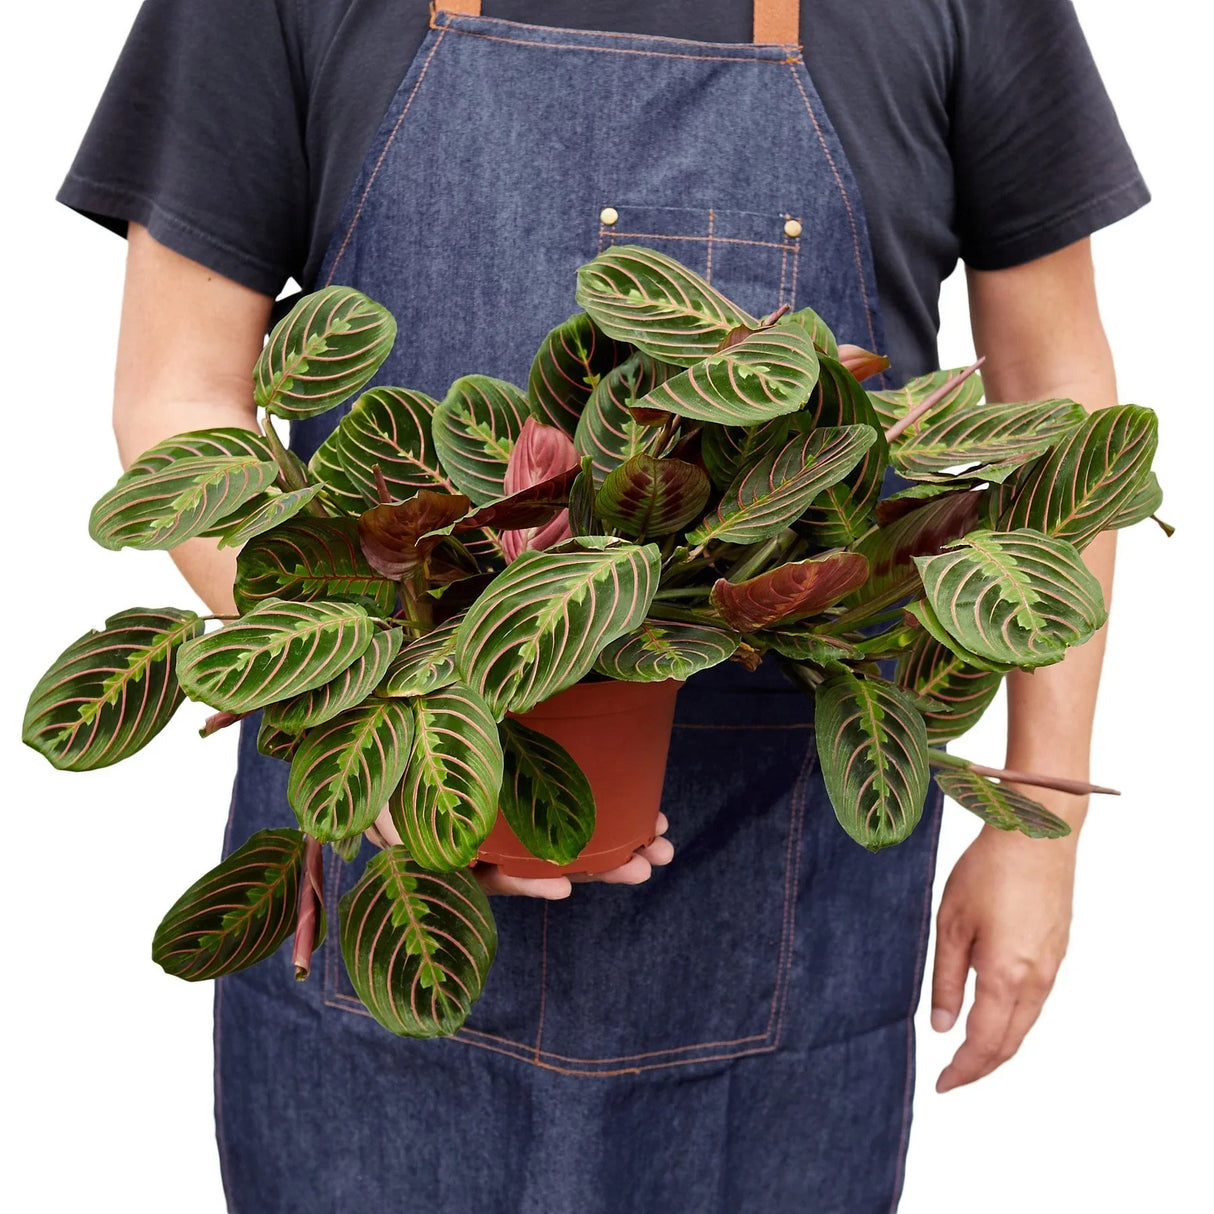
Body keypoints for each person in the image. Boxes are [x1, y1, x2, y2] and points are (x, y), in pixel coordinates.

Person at [58, 1, 1148, 1209]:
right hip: (391, 894)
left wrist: (1041, 812)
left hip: (772, 919)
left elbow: (1056, 398)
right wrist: (389, 718)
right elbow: (177, 393)